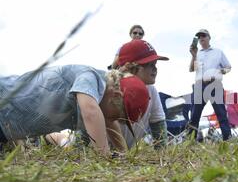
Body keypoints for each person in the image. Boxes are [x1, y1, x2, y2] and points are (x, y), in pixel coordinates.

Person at [0, 65, 149, 156]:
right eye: (118, 116)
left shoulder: (104, 102)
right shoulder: (91, 77)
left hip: (5, 130)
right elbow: (90, 111)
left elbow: (109, 123)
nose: (114, 121)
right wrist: (104, 154)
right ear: (115, 96)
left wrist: (123, 152)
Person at [112, 39, 169, 149]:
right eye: (149, 64)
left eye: (155, 64)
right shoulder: (111, 88)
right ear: (130, 67)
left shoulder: (151, 89)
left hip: (124, 155)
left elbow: (158, 123)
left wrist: (162, 155)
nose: (155, 69)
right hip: (99, 153)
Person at [188, 29, 232, 141]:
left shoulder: (218, 52)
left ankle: (228, 140)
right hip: (199, 86)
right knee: (194, 116)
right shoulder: (197, 53)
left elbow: (228, 67)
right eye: (199, 36)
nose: (201, 38)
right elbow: (191, 69)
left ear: (209, 37)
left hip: (215, 85)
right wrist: (193, 56)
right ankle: (189, 143)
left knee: (221, 114)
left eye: (204, 35)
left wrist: (218, 72)